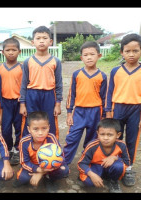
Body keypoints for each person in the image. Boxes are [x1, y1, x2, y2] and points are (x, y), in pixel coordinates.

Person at [105, 33, 141, 187]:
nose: (131, 54)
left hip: (136, 110)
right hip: (118, 108)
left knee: (131, 140)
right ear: (122, 52)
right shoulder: (115, 71)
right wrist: (108, 111)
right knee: (115, 139)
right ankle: (114, 167)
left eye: (135, 51)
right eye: (128, 51)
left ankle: (128, 168)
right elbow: (109, 92)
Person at [64, 41, 107, 165]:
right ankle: (64, 164)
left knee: (92, 140)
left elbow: (104, 98)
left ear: (99, 56)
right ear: (81, 57)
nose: (89, 57)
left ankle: (86, 163)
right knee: (71, 138)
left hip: (95, 112)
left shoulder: (102, 76)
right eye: (86, 55)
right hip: (79, 112)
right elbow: (71, 95)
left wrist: (104, 116)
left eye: (92, 54)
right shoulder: (77, 74)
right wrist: (68, 113)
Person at [19, 26, 63, 140]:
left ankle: (51, 148)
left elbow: (59, 84)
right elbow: (24, 83)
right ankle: (28, 148)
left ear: (50, 41)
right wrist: (22, 104)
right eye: (38, 38)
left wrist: (58, 104)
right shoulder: (28, 61)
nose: (42, 41)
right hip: (32, 95)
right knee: (30, 122)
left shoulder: (56, 61)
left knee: (49, 122)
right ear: (33, 42)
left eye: (45, 38)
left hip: (49, 95)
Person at [12, 111, 69, 190]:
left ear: (49, 127)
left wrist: (41, 173)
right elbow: (24, 162)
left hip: (49, 166)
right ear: (29, 129)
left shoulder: (51, 138)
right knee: (23, 178)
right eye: (35, 129)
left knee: (64, 170)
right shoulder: (24, 142)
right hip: (33, 165)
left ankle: (49, 178)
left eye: (44, 128)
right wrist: (38, 169)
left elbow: (60, 158)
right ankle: (29, 176)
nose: (40, 133)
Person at [77, 118, 131, 193]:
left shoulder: (121, 145)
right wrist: (91, 174)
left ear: (118, 135)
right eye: (102, 134)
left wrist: (115, 158)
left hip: (111, 166)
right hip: (95, 166)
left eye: (110, 135)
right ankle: (95, 175)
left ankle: (113, 181)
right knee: (89, 182)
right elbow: (81, 163)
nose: (105, 138)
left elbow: (127, 162)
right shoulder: (92, 146)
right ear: (97, 133)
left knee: (119, 166)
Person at [0, 38, 22, 166]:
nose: (11, 52)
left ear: (19, 52)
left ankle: (17, 150)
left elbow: (26, 86)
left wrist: (24, 103)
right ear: (2, 52)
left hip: (18, 103)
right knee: (5, 129)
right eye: (8, 50)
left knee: (19, 128)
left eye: (14, 50)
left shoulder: (23, 68)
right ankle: (9, 149)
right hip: (4, 103)